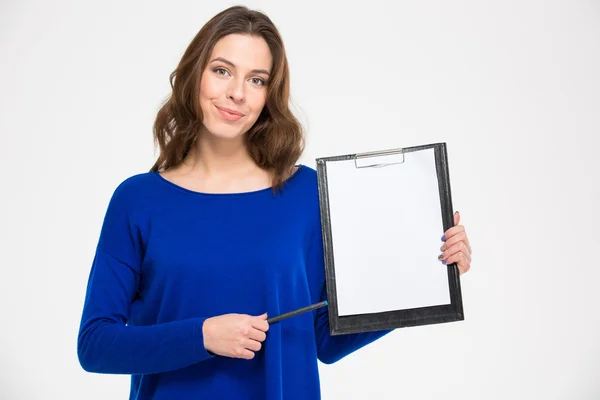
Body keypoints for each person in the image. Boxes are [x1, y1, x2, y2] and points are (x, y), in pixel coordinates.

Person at [76, 5, 473, 400]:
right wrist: (202, 336)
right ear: (195, 74)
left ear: (269, 94)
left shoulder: (304, 193)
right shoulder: (137, 200)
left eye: (257, 79)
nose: (236, 92)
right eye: (222, 70)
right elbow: (95, 343)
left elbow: (325, 340)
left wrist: (430, 274)